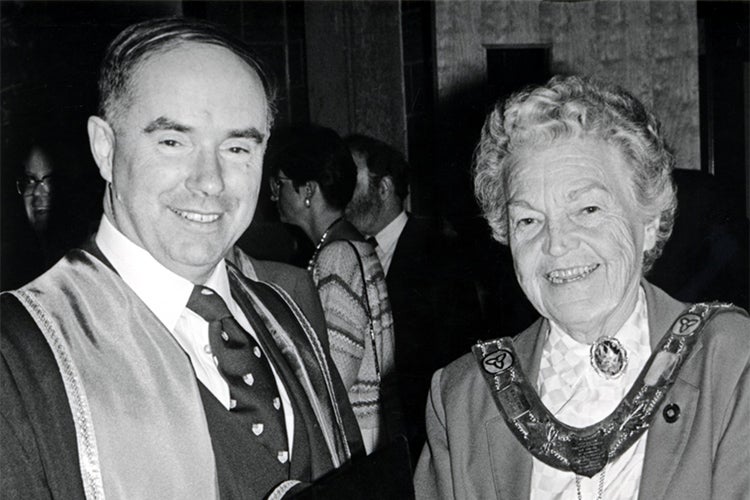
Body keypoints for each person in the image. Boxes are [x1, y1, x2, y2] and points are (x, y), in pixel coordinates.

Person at [1, 18, 364, 499]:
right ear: (104, 148)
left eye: (237, 147)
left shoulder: (283, 317)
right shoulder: (20, 356)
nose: (210, 181)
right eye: (173, 142)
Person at [414, 75, 750, 499]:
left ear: (648, 223)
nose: (556, 243)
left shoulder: (731, 360)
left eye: (587, 208)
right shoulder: (464, 396)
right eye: (529, 220)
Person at [344, 133, 485, 463]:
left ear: (384, 187)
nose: (342, 195)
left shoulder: (438, 250)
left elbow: (456, 353)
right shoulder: (350, 255)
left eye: (353, 180)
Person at [267, 124, 399, 455]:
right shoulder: (352, 244)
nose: (273, 195)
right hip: (370, 427)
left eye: (279, 184)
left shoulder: (337, 257)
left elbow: (333, 375)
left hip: (355, 436)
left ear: (307, 190)